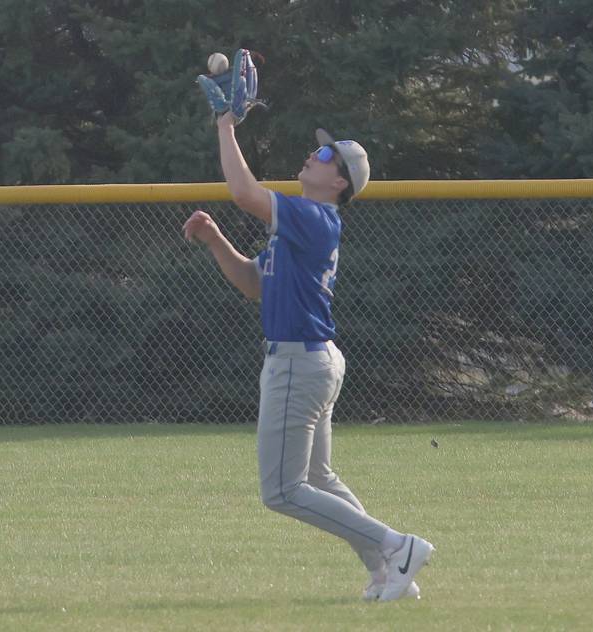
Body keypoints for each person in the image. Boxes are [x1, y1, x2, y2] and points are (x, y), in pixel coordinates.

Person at [182, 111, 434, 602]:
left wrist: (226, 128)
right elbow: (255, 285)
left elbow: (244, 193)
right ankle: (389, 569)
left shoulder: (316, 218)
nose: (311, 155)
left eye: (323, 155)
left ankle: (397, 546)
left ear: (338, 180)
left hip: (300, 364)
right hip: (311, 359)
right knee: (319, 478)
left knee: (282, 491)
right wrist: (216, 241)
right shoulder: (300, 225)